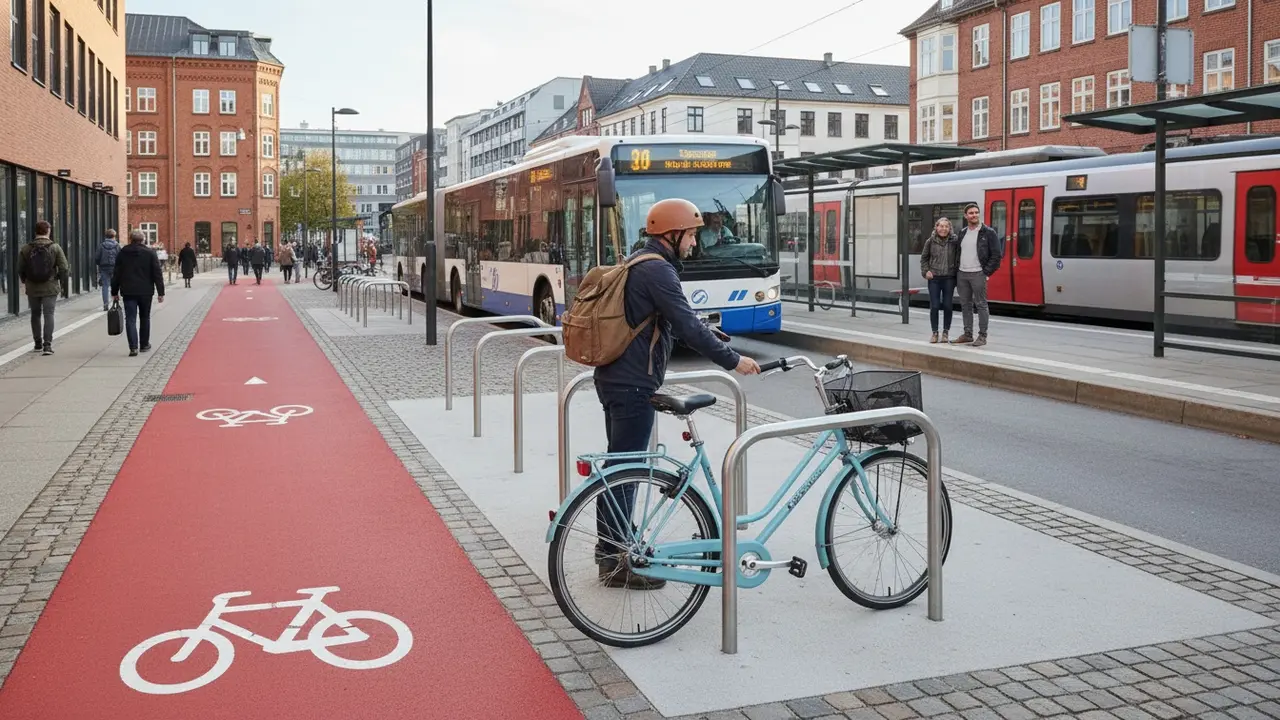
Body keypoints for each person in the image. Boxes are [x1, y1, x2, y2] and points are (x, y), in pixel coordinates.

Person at [592, 198, 760, 590]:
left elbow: (665, 317)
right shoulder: (658, 270)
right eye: (691, 235)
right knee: (625, 473)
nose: (694, 243)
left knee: (619, 470)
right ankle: (619, 562)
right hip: (633, 383)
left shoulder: (640, 262)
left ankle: (610, 552)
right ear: (673, 234)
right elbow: (684, 325)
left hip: (615, 377)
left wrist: (706, 329)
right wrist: (732, 360)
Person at [951, 203, 1003, 348]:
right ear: (965, 216)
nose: (974, 215)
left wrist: (986, 272)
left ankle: (982, 336)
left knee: (981, 304)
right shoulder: (962, 232)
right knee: (965, 305)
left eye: (976, 212)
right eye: (971, 213)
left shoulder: (988, 232)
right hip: (962, 274)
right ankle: (968, 334)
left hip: (978, 273)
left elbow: (997, 255)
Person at [17, 220, 70, 356]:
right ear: (48, 231)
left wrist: (25, 280)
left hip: (32, 287)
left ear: (36, 231)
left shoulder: (26, 248)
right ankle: (47, 345)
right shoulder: (55, 247)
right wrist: (59, 279)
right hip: (50, 286)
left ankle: (37, 343)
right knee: (49, 314)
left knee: (35, 314)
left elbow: (20, 268)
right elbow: (64, 267)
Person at [112, 230, 165, 357]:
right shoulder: (150, 253)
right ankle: (144, 344)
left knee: (130, 319)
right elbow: (157, 273)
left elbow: (116, 274)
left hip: (128, 291)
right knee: (145, 317)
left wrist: (114, 291)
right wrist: (161, 292)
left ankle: (133, 347)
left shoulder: (123, 253)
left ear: (130, 239)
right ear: (143, 240)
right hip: (146, 291)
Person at [920, 217, 960, 344]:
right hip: (935, 278)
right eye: (941, 226)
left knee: (948, 305)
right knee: (935, 306)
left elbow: (959, 257)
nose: (943, 229)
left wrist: (957, 273)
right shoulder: (930, 242)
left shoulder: (955, 241)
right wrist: (926, 271)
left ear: (950, 228)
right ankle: (935, 332)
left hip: (949, 278)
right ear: (936, 228)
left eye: (946, 227)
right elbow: (924, 258)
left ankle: (946, 332)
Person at [95, 229, 121, 311]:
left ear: (106, 236)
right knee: (115, 285)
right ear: (114, 236)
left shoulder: (101, 246)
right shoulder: (117, 246)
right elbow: (120, 257)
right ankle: (115, 301)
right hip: (115, 268)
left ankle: (105, 304)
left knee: (105, 286)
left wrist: (100, 264)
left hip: (104, 268)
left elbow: (97, 258)